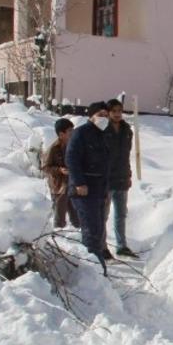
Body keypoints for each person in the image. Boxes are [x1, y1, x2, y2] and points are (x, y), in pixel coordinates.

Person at [66, 101, 112, 264]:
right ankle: (93, 270)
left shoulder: (104, 135)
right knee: (91, 232)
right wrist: (79, 183)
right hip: (84, 191)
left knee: (98, 231)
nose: (104, 118)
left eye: (106, 115)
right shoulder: (81, 133)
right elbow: (71, 158)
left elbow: (105, 165)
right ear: (91, 116)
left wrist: (106, 191)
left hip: (99, 191)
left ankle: (98, 270)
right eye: (100, 115)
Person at [104, 98, 137, 258]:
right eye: (114, 111)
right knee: (103, 214)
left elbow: (126, 155)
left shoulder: (126, 130)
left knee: (121, 214)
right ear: (108, 112)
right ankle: (102, 246)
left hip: (122, 177)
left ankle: (121, 245)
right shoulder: (103, 129)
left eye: (119, 111)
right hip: (106, 178)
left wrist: (128, 174)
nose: (117, 114)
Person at [42, 118, 78, 229]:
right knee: (60, 216)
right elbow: (45, 167)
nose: (72, 133)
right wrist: (59, 170)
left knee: (77, 214)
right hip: (59, 187)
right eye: (70, 131)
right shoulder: (53, 149)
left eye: (73, 130)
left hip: (73, 184)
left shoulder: (75, 146)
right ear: (61, 134)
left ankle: (78, 234)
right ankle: (59, 238)